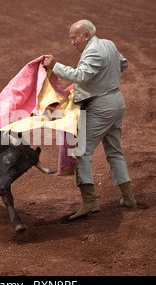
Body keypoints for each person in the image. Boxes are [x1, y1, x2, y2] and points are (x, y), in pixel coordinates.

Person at [43, 19, 136, 220]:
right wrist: (105, 79)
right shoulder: (109, 44)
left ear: (86, 35)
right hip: (117, 102)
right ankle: (128, 198)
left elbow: (81, 76)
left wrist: (55, 66)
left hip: (101, 107)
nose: (72, 42)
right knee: (114, 151)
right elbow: (123, 64)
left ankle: (90, 202)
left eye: (74, 38)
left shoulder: (93, 50)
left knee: (82, 153)